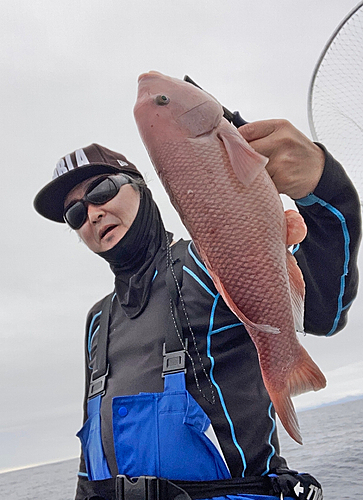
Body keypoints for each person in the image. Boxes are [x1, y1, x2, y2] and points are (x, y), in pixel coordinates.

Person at [33, 119, 361, 500]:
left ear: (140, 188)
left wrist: (323, 187)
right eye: (74, 214)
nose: (91, 214)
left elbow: (324, 308)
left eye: (102, 191)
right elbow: (90, 457)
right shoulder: (97, 321)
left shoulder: (208, 260)